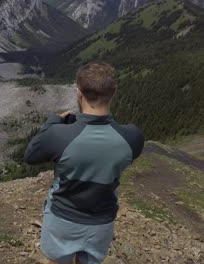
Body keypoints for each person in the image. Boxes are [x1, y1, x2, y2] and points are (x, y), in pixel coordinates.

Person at [24, 62, 144, 264]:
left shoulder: (58, 135)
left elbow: (30, 156)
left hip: (62, 218)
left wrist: (52, 122)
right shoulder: (132, 137)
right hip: (101, 222)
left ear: (78, 93)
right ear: (113, 92)